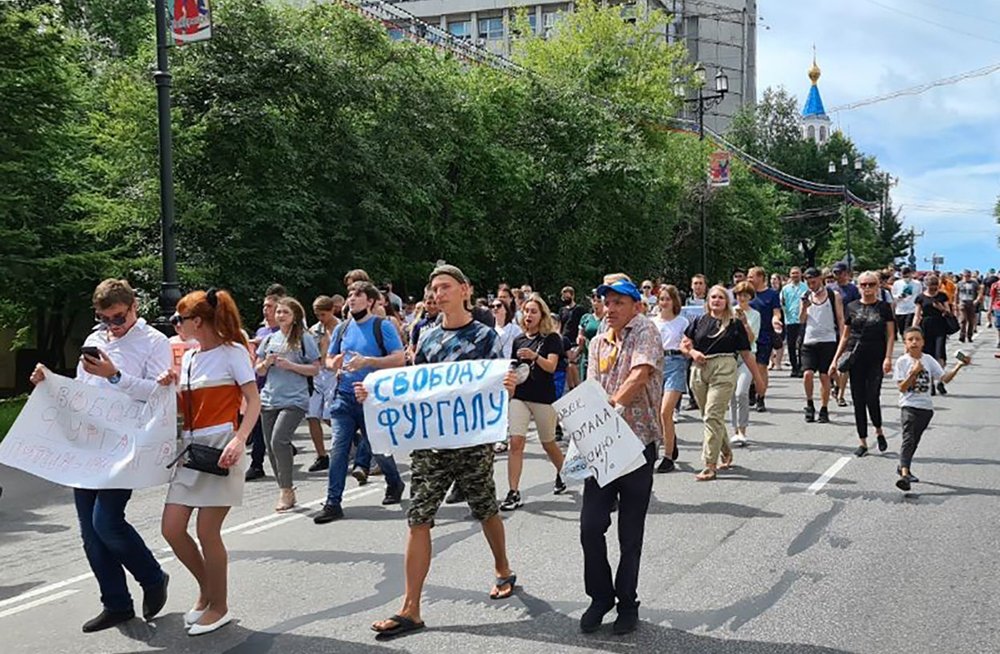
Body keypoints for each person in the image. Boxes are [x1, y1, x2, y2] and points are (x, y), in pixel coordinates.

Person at [367, 264, 518, 640]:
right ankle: (411, 608)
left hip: (471, 444)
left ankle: (502, 568)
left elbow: (498, 389)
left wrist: (508, 385)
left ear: (465, 290)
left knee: (485, 509)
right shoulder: (427, 336)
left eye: (446, 286)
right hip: (431, 448)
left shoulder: (485, 337)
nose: (438, 293)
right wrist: (373, 395)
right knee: (418, 518)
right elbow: (413, 389)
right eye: (434, 288)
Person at [29, 279, 171, 632]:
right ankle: (117, 604)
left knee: (106, 522)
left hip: (125, 444)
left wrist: (116, 376)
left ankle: (153, 577)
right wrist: (49, 382)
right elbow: (81, 391)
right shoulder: (94, 340)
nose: (112, 326)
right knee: (90, 534)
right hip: (89, 443)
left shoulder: (155, 342)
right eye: (104, 318)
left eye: (118, 318)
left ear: (134, 306)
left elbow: (159, 395)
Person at [158, 288, 261, 635]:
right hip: (192, 450)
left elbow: (253, 401)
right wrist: (168, 388)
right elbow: (185, 411)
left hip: (221, 448)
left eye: (179, 318)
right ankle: (208, 591)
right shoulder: (188, 357)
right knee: (171, 529)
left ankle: (219, 606)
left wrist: (239, 438)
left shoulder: (233, 353)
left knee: (207, 531)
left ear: (197, 321)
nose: (175, 324)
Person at [580, 278, 663, 636]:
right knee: (590, 527)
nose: (609, 309)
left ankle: (627, 603)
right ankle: (601, 597)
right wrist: (584, 424)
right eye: (606, 302)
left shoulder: (644, 330)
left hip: (637, 441)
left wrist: (612, 408)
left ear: (635, 305)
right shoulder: (599, 340)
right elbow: (591, 387)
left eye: (617, 302)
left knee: (630, 532)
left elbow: (640, 374)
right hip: (603, 443)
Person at [313, 281, 407, 524]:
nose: (351, 299)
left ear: (371, 301)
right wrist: (335, 364)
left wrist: (367, 362)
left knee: (379, 448)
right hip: (344, 397)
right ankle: (333, 502)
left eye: (358, 295)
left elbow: (399, 359)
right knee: (338, 449)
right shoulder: (343, 328)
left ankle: (394, 482)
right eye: (349, 295)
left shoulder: (381, 326)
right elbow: (330, 359)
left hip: (372, 398)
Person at [681, 286, 762, 481]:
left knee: (712, 415)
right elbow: (684, 342)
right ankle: (726, 450)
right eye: (713, 297)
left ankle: (709, 464)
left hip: (724, 366)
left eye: (721, 298)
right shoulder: (699, 321)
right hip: (699, 368)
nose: (716, 300)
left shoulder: (734, 324)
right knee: (709, 416)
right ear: (708, 301)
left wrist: (758, 379)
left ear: (727, 301)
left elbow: (746, 352)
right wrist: (692, 352)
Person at [255, 297, 321, 512]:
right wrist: (266, 363)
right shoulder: (269, 339)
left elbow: (315, 369)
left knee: (279, 440)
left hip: (294, 399)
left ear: (294, 317)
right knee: (271, 447)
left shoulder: (304, 339)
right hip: (270, 398)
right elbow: (258, 370)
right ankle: (285, 489)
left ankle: (286, 489)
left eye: (285, 312)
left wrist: (291, 365)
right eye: (279, 312)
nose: (280, 315)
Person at [502, 294, 567, 510]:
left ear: (542, 315)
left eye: (533, 311)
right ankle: (513, 491)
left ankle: (563, 471)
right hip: (520, 396)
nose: (528, 315)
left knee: (548, 442)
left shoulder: (551, 339)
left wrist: (534, 356)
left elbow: (551, 366)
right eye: (526, 311)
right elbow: (513, 367)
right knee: (516, 443)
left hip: (543, 397)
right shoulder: (518, 339)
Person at [892, 327, 969, 491]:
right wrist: (913, 373)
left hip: (926, 409)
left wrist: (959, 366)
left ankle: (904, 467)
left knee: (915, 440)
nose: (914, 342)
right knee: (908, 438)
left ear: (923, 342)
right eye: (910, 339)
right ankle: (904, 475)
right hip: (908, 405)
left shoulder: (928, 360)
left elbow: (944, 378)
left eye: (917, 339)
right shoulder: (902, 362)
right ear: (905, 343)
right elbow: (902, 388)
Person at [830, 271, 895, 458]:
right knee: (858, 399)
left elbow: (890, 334)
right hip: (856, 357)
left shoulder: (884, 307)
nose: (867, 288)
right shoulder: (851, 306)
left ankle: (879, 430)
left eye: (871, 284)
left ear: (877, 286)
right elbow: (845, 335)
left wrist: (888, 357)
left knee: (872, 396)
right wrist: (835, 360)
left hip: (876, 356)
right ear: (858, 286)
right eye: (864, 284)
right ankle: (863, 441)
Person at [799, 268, 844, 423]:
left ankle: (824, 409)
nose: (811, 285)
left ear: (821, 279)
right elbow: (802, 320)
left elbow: (840, 318)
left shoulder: (833, 295)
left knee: (824, 376)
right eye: (808, 283)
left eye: (813, 282)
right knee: (807, 374)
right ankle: (809, 404)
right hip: (809, 340)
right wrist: (804, 307)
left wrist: (844, 339)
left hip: (828, 340)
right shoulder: (806, 296)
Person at [652, 285, 688, 471]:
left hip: (676, 363)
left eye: (667, 299)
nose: (664, 302)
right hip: (657, 365)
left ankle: (667, 456)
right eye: (661, 299)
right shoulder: (652, 322)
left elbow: (687, 344)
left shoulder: (682, 322)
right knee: (656, 411)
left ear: (674, 301)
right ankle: (670, 443)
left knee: (666, 411)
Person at [245, 292, 281, 481]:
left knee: (276, 431)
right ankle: (256, 464)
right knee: (259, 426)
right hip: (260, 386)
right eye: (265, 307)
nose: (266, 311)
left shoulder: (285, 333)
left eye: (270, 307)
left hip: (280, 388)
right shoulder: (261, 332)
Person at [305, 296, 339, 472]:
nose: (320, 318)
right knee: (311, 415)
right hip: (318, 375)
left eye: (323, 314)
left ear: (332, 310)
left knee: (329, 415)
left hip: (334, 374)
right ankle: (321, 455)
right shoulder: (314, 330)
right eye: (317, 315)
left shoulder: (342, 328)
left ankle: (350, 441)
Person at [748, 266, 782, 412]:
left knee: (761, 367)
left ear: (761, 277)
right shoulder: (746, 294)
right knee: (748, 368)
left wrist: (776, 321)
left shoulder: (772, 294)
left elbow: (776, 312)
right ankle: (750, 389)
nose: (749, 279)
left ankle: (761, 397)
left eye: (751, 276)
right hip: (748, 336)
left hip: (764, 336)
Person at [729, 282, 759, 447]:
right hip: (731, 356)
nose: (742, 298)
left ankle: (743, 430)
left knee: (741, 392)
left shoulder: (755, 315)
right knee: (732, 394)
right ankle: (735, 430)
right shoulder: (729, 312)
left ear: (750, 297)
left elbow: (752, 339)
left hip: (748, 356)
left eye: (746, 295)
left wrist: (745, 322)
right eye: (739, 295)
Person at [913, 275, 953, 395]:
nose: (933, 289)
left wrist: (941, 308)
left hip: (940, 326)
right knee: (927, 355)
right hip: (926, 326)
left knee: (940, 354)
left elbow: (949, 312)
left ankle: (940, 381)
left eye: (935, 286)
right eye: (931, 286)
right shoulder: (920, 297)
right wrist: (914, 328)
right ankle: (930, 383)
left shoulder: (942, 296)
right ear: (926, 285)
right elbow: (917, 314)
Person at [780, 267, 809, 377]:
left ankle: (802, 366)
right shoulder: (785, 289)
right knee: (791, 345)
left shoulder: (806, 287)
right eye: (793, 273)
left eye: (797, 273)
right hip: (790, 320)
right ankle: (794, 367)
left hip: (803, 319)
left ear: (801, 274)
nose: (795, 275)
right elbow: (782, 303)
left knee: (802, 344)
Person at [559, 286, 587, 389]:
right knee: (567, 365)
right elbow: (560, 324)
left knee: (573, 363)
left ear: (572, 295)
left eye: (567, 295)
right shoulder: (562, 310)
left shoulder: (580, 309)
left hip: (575, 341)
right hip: (565, 341)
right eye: (563, 295)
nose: (565, 297)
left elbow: (583, 325)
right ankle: (571, 388)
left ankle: (578, 387)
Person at [577, 291, 604, 381]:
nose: (596, 304)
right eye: (594, 301)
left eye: (599, 301)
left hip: (602, 357)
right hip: (587, 356)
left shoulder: (608, 319)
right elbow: (580, 335)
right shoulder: (586, 318)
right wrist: (580, 339)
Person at [891, 266, 922, 338]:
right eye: (904, 276)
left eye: (907, 276)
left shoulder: (917, 284)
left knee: (908, 328)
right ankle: (905, 341)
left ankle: (908, 345)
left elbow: (920, 296)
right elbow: (893, 295)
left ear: (911, 274)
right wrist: (899, 296)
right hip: (900, 310)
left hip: (912, 309)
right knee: (902, 330)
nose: (906, 278)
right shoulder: (897, 283)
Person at [956, 270, 981, 343]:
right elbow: (956, 293)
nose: (967, 277)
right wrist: (956, 303)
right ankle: (962, 336)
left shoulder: (974, 283)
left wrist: (977, 300)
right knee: (963, 320)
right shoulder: (960, 283)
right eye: (965, 276)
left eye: (968, 276)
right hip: (962, 302)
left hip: (971, 303)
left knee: (971, 321)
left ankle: (969, 335)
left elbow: (979, 292)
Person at [768, 273, 786, 371]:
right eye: (772, 279)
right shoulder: (768, 292)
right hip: (769, 316)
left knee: (779, 340)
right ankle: (771, 361)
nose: (773, 281)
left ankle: (778, 362)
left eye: (775, 279)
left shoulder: (783, 291)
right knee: (770, 340)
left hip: (781, 316)